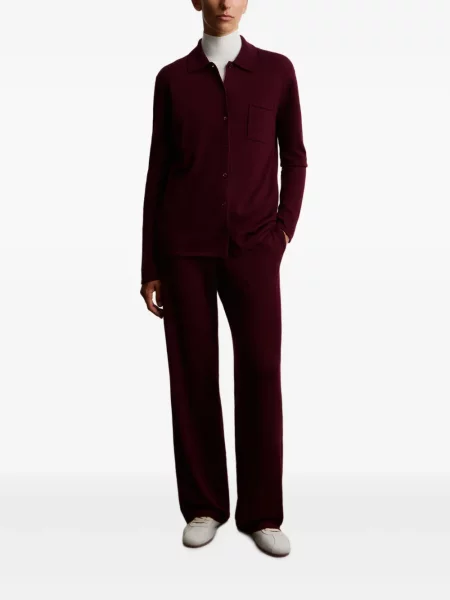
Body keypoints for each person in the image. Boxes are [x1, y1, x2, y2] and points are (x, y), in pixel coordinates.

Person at [140, 0, 307, 558]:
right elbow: (158, 171)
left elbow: (295, 158)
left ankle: (262, 513)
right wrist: (150, 264)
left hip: (256, 249)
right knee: (192, 375)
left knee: (260, 373)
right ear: (195, 0)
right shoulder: (171, 80)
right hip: (183, 250)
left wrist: (283, 232)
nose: (225, 2)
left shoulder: (277, 71)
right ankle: (204, 505)